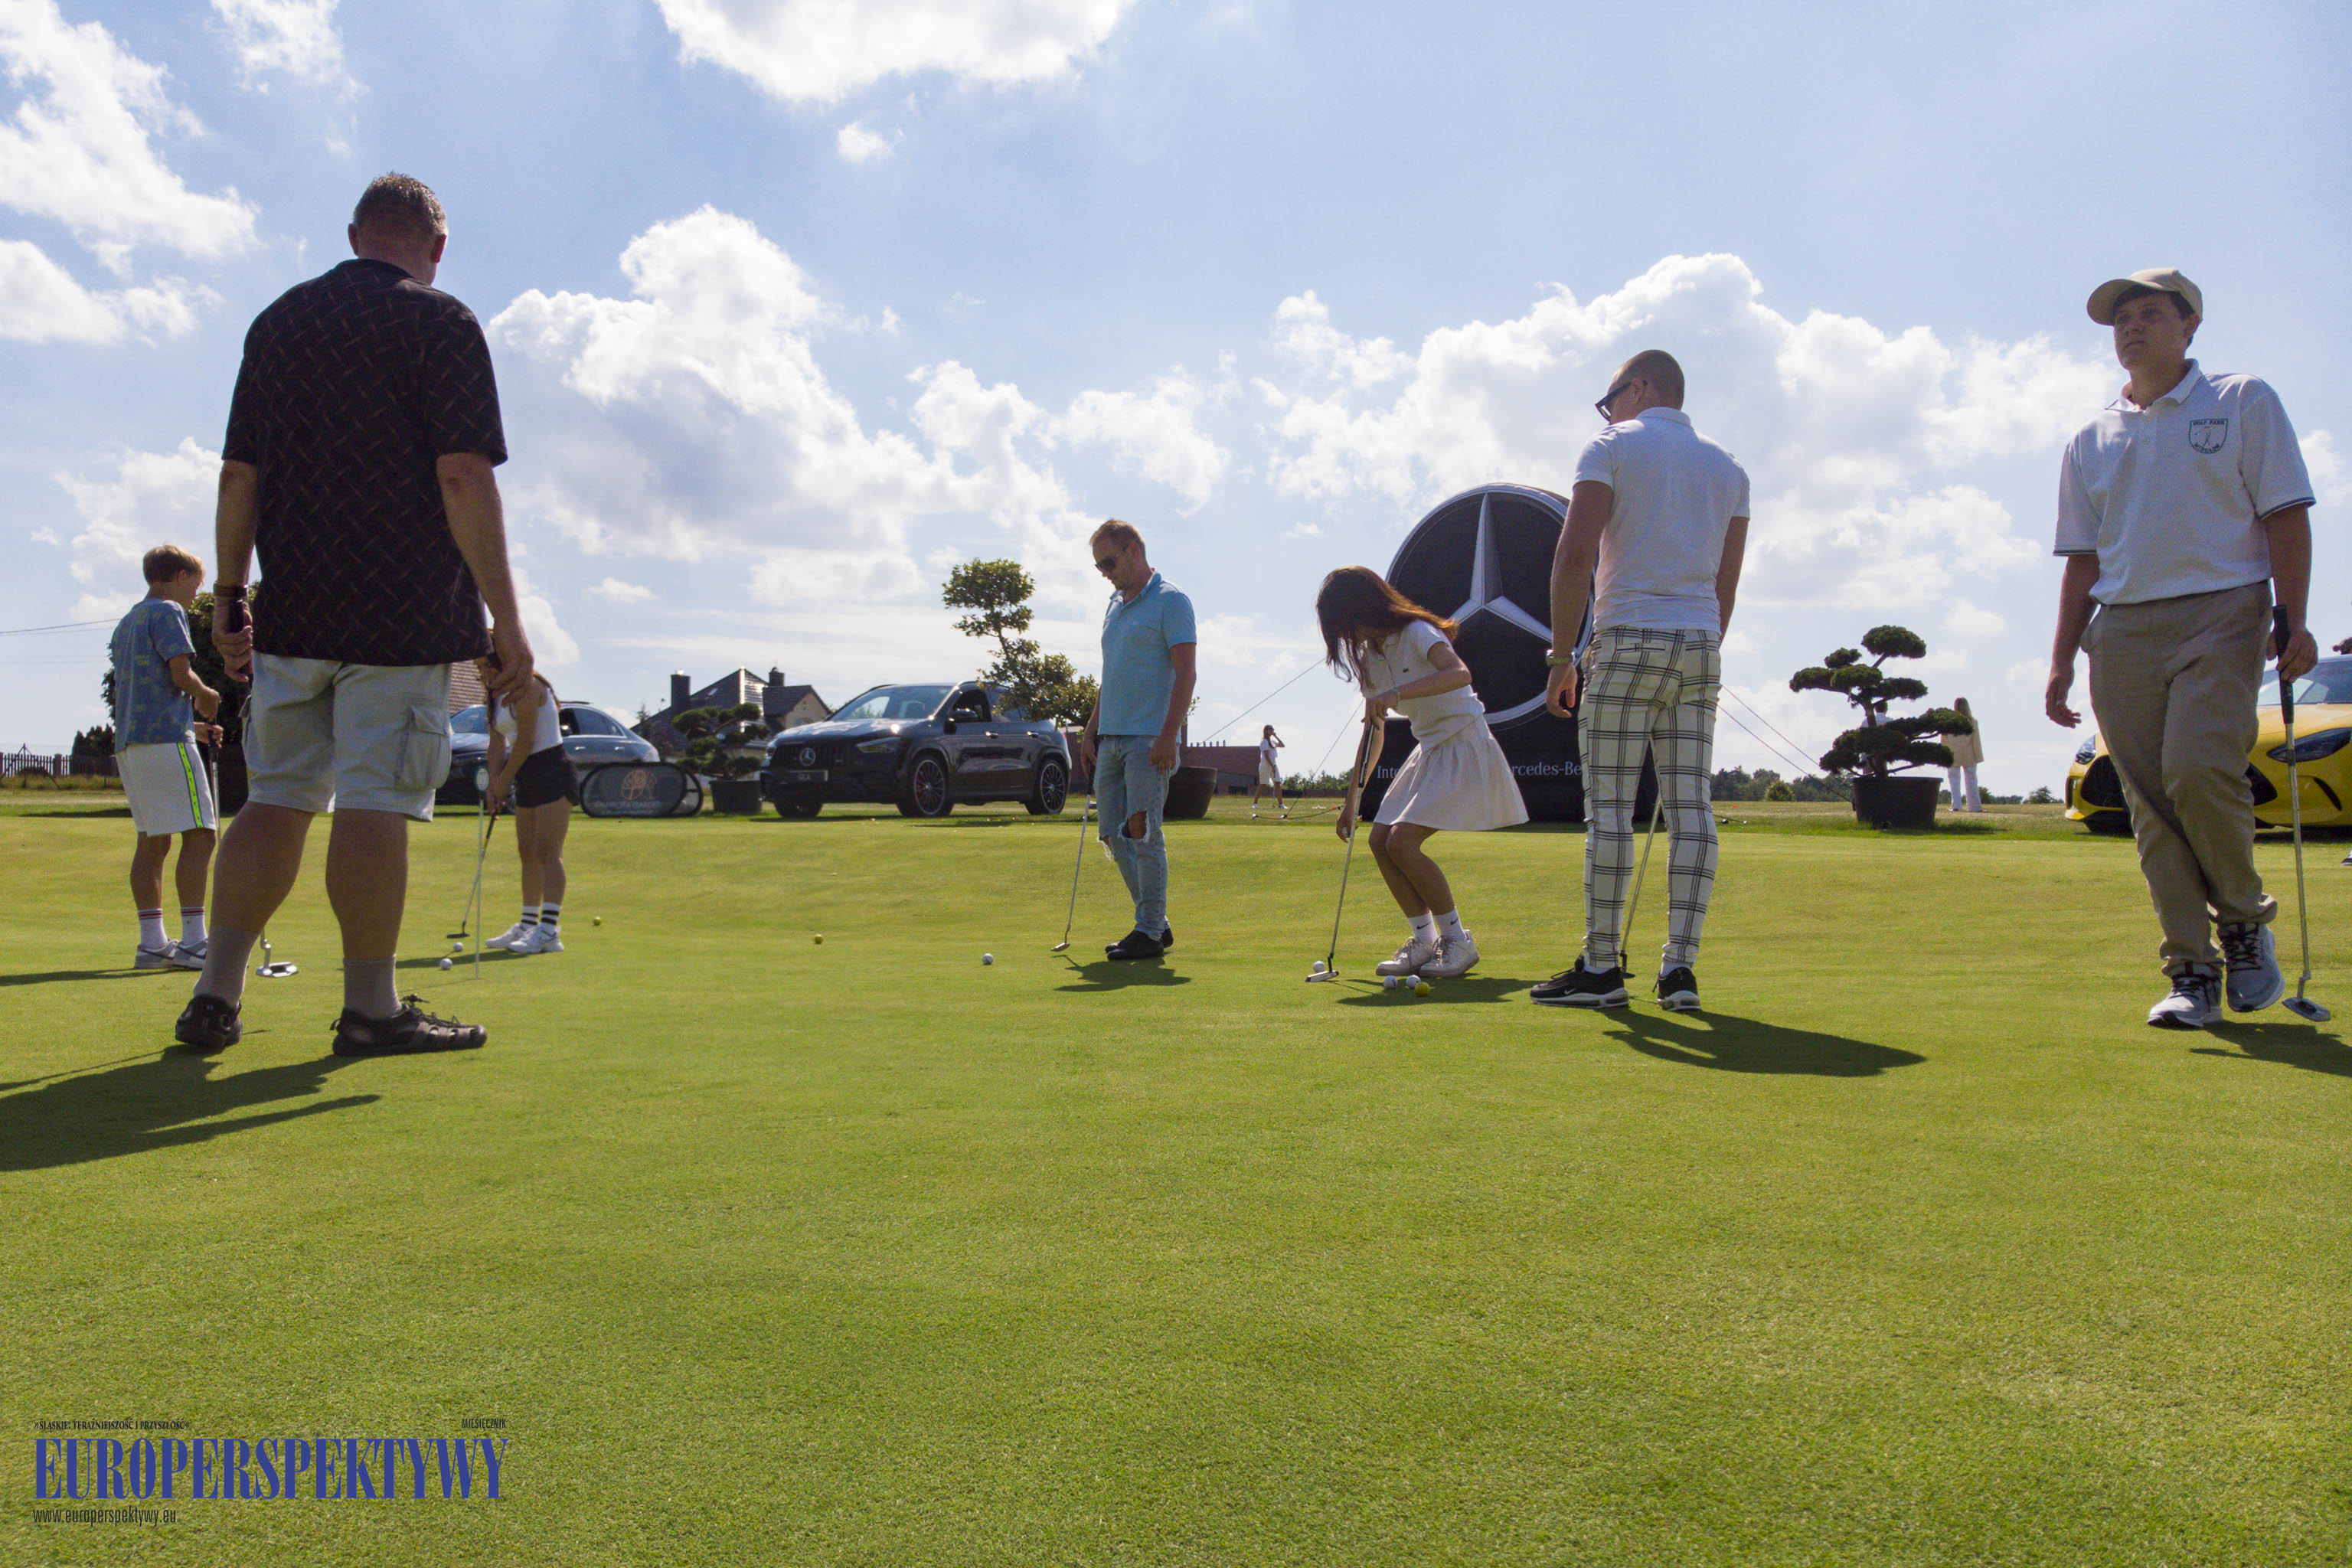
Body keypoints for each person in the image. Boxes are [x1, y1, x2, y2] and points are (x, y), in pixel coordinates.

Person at [175, 172, 535, 1055]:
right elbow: (462, 475)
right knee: (376, 799)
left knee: (277, 797)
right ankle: (371, 1007)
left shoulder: (278, 322)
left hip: (293, 610)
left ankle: (216, 993)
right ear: (436, 245)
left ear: (352, 234)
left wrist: (229, 596)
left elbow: (238, 478)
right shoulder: (441, 322)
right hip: (403, 617)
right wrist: (507, 623)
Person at [2046, 268, 2316, 1030]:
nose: (2132, 327)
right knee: (2150, 803)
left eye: (2150, 313)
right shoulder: (2089, 437)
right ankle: (2191, 967)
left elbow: (2286, 513)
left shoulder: (2241, 400)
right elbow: (2082, 559)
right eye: (2121, 318)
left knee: (2198, 769)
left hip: (2224, 610)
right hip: (2121, 627)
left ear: (2189, 324)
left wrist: (2292, 617)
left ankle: (2243, 922)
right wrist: (2062, 656)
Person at [1533, 349, 1750, 1011]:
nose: (1608, 408)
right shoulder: (1729, 469)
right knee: (1692, 808)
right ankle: (1678, 970)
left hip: (1627, 638)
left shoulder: (1612, 446)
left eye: (1612, 395)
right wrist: (1702, 646)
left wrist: (1560, 657)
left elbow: (1574, 558)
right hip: (1700, 644)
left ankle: (1602, 966)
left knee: (1611, 812)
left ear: (1643, 386)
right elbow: (1726, 584)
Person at [1318, 567, 1526, 980]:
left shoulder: (1417, 632)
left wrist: (1397, 694)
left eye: (1342, 622)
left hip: (1464, 740)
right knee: (1380, 840)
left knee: (1404, 841)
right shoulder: (1370, 658)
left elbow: (1459, 674)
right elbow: (1374, 729)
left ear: (1361, 607)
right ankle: (1424, 939)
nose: (1344, 636)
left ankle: (1457, 941)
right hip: (1429, 747)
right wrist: (1352, 798)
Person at [1075, 519, 1197, 960]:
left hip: (1150, 739)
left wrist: (1169, 735)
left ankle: (1147, 929)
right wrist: (1091, 731)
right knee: (1112, 835)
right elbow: (1112, 676)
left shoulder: (1172, 601)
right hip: (1111, 738)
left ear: (1133, 551)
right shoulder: (1114, 604)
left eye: (1108, 562)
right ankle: (1155, 924)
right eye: (1098, 566)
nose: (1104, 572)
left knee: (1143, 832)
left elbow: (1186, 673)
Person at [110, 544, 224, 971]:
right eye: (194, 586)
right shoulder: (168, 613)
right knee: (201, 834)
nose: (194, 596)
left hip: (132, 744)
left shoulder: (126, 624)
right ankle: (195, 942)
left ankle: (152, 943)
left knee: (153, 840)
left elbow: (145, 690)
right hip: (166, 744)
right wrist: (207, 697)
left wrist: (189, 726)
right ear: (179, 577)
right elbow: (181, 674)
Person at [479, 664, 577, 955]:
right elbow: (497, 743)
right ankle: (527, 924)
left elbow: (525, 741)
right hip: (527, 773)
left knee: (548, 851)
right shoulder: (495, 695)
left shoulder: (530, 687)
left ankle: (548, 932)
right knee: (527, 851)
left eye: (486, 666)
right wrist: (494, 782)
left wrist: (504, 781)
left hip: (552, 769)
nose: (483, 674)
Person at [1943, 696, 1984, 812]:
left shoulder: (1948, 722)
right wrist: (1978, 757)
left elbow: (1944, 739)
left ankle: (1956, 806)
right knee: (1971, 780)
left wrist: (1943, 754)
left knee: (1954, 781)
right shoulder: (1972, 722)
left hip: (1953, 754)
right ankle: (1974, 806)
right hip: (1969, 754)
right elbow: (1976, 741)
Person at [1251, 724, 1286, 818]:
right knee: (1263, 784)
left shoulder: (1272, 741)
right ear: (1266, 731)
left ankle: (1281, 804)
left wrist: (1275, 736)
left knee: (1277, 783)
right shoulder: (1264, 741)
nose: (1272, 730)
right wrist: (1272, 766)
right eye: (1270, 729)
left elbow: (1282, 745)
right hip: (1266, 764)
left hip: (1273, 763)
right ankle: (1255, 803)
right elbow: (1266, 755)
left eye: (1272, 729)